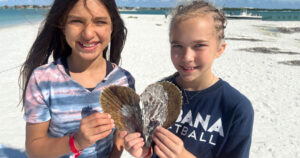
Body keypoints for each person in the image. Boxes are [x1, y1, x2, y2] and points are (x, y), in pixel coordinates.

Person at [121, 1, 254, 158]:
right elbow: (151, 149)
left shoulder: (236, 108)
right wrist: (145, 152)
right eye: (177, 46)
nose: (187, 57)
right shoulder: (159, 92)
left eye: (199, 45)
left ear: (220, 49)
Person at [19, 0, 135, 157]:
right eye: (76, 21)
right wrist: (76, 142)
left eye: (100, 22)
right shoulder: (43, 79)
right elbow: (34, 148)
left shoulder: (124, 81)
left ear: (112, 26)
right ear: (62, 25)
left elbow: (120, 135)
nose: (88, 33)